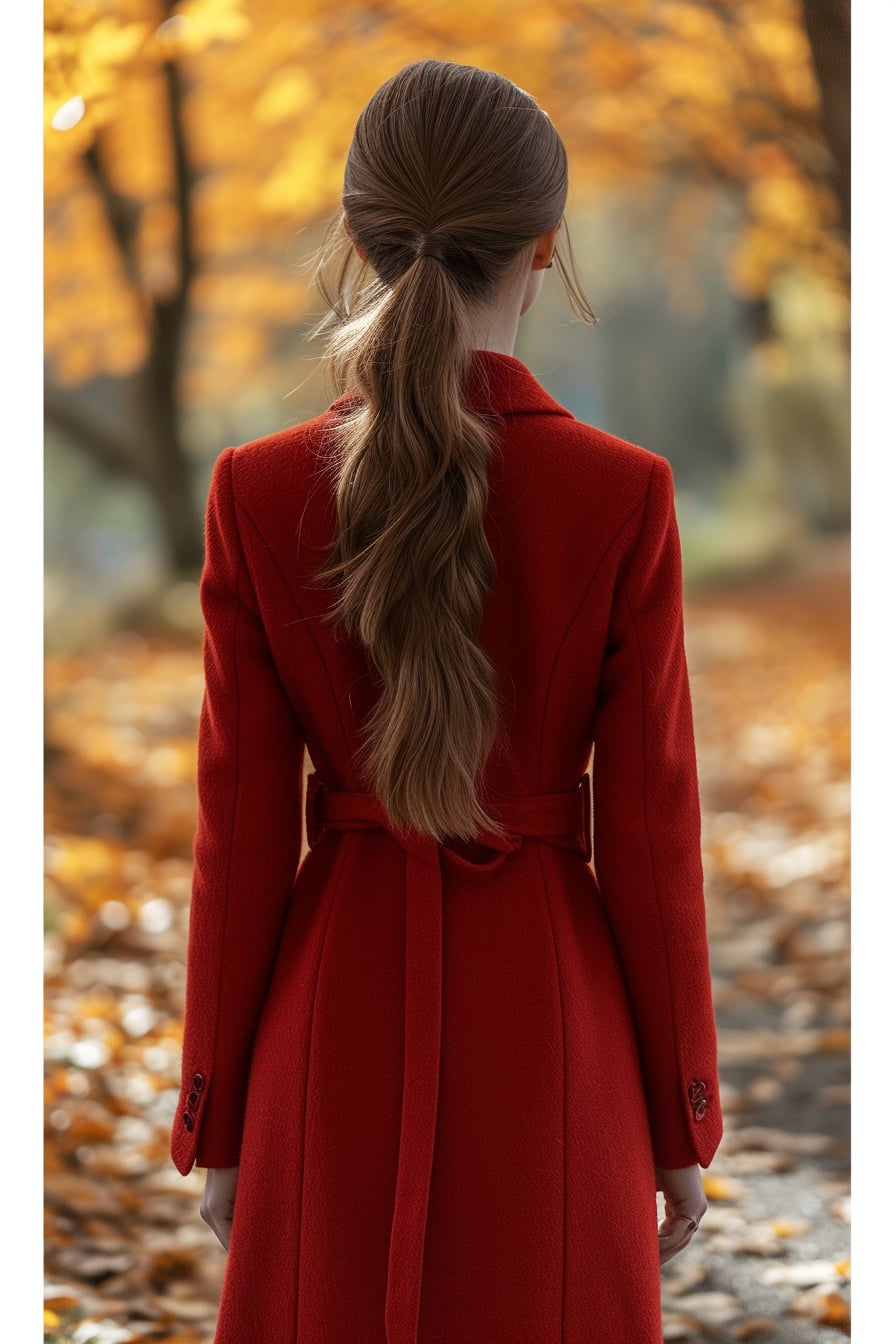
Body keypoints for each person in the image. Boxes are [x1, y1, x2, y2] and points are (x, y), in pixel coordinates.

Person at [170, 57, 722, 1344]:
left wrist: (221, 1111)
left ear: (360, 241)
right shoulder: (620, 494)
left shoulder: (256, 493)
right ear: (546, 245)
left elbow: (239, 835)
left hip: (325, 1027)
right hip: (553, 1029)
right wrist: (676, 1113)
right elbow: (650, 840)